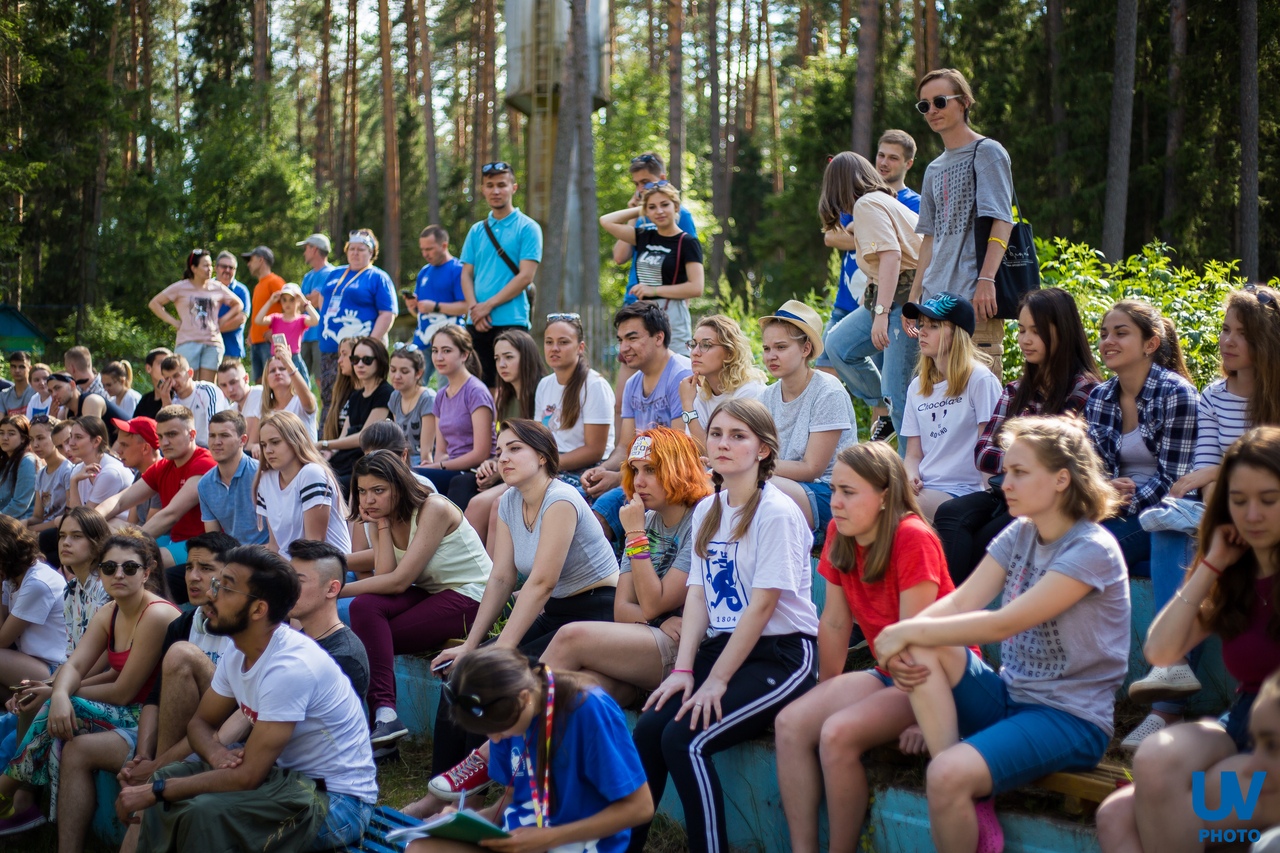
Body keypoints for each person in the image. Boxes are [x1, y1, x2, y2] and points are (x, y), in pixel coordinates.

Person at [871, 416, 1130, 853]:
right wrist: (908, 637)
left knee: (945, 774)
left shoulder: (1092, 549)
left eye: (1019, 472)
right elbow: (958, 602)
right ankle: (972, 789)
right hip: (1011, 695)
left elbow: (1004, 622)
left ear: (1061, 479)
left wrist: (903, 631)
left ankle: (961, 781)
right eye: (1006, 471)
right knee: (924, 642)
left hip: (1069, 718)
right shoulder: (1023, 531)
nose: (1004, 482)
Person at [628, 398, 820, 853]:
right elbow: (698, 595)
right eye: (716, 434)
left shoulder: (776, 511)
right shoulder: (709, 509)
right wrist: (683, 671)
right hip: (728, 647)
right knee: (650, 730)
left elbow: (760, 609)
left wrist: (714, 682)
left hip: (782, 654)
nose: (724, 443)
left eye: (738, 436)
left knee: (684, 741)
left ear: (764, 450)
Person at [117, 545, 378, 851]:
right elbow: (200, 722)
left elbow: (248, 776)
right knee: (167, 777)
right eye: (218, 584)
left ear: (257, 610)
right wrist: (215, 753)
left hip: (337, 801)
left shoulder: (289, 669)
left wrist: (158, 791)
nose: (212, 596)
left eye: (226, 588)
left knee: (201, 813)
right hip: (281, 779)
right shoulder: (238, 650)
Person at [1095, 426, 1280, 853]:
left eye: (1268, 500)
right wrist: (1212, 564)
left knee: (1196, 797)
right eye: (1238, 501)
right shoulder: (1238, 575)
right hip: (1241, 724)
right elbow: (1161, 651)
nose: (1251, 515)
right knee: (1117, 814)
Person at [419, 419, 617, 802]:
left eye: (515, 449)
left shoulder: (562, 498)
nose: (503, 458)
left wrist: (503, 648)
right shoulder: (509, 500)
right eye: (500, 450)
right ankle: (440, 791)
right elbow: (501, 578)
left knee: (495, 676)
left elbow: (541, 581)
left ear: (542, 457)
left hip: (596, 611)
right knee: (464, 668)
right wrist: (472, 643)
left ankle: (474, 793)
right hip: (556, 610)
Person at [774, 441, 953, 853]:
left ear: (885, 494)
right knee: (791, 723)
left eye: (848, 492)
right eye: (833, 490)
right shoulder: (841, 528)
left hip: (934, 677)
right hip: (889, 671)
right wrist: (824, 688)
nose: (835, 503)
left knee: (837, 734)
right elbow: (836, 622)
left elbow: (917, 639)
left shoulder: (912, 537)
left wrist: (928, 717)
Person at [1125, 284, 1280, 749]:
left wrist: (1225, 483)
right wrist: (1223, 506)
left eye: (1241, 332)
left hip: (1267, 513)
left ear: (1267, 339)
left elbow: (1259, 470)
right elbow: (1204, 473)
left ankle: (1239, 702)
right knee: (1168, 520)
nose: (1227, 341)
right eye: (1225, 330)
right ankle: (1166, 698)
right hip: (1222, 506)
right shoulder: (1212, 395)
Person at [0, 533, 180, 842]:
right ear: (100, 572)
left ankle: (7, 792)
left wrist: (61, 695)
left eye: (129, 568)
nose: (118, 575)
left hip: (153, 719)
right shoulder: (110, 611)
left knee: (49, 702)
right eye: (109, 568)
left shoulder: (157, 614)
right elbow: (74, 666)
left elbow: (124, 691)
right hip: (124, 710)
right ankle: (19, 801)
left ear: (147, 572)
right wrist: (57, 693)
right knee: (40, 699)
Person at [405, 647, 653, 853]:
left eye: (500, 729)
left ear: (524, 698)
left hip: (578, 845)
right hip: (521, 841)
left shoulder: (588, 711)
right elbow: (513, 800)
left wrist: (550, 837)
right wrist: (466, 823)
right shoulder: (505, 719)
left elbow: (640, 808)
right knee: (421, 848)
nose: (495, 738)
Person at [931, 287, 1100, 583]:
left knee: (986, 535)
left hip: (1054, 500)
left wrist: (1018, 458)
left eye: (1036, 331)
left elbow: (1063, 460)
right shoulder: (1015, 390)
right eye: (1021, 330)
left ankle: (947, 617)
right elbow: (983, 452)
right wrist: (1025, 461)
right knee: (950, 513)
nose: (1025, 339)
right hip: (1004, 491)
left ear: (1063, 331)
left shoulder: (1085, 390)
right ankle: (945, 611)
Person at [541, 427, 710, 707]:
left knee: (570, 636)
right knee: (576, 688)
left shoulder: (698, 521)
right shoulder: (648, 519)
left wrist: (635, 536)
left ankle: (494, 748)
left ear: (679, 468)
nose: (639, 482)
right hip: (650, 638)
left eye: (651, 470)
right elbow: (622, 609)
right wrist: (656, 621)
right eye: (635, 470)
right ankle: (520, 748)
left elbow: (654, 603)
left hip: (688, 649)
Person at [344, 451, 490, 745]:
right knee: (364, 607)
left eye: (378, 490)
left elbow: (398, 582)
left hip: (472, 596)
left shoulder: (432, 508)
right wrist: (380, 524)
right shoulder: (379, 516)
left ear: (398, 485)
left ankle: (379, 720)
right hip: (431, 591)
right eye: (362, 491)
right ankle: (385, 715)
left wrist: (331, 591)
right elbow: (384, 574)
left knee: (371, 639)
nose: (368, 499)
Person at [114, 532, 237, 810]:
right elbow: (156, 697)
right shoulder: (182, 625)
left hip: (225, 739)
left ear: (231, 576)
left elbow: (232, 716)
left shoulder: (246, 626)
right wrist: (143, 755)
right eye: (189, 567)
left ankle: (158, 779)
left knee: (182, 654)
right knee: (78, 750)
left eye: (205, 569)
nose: (192, 577)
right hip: (176, 733)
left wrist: (157, 766)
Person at [909, 69, 1015, 381]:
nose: (932, 111)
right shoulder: (932, 169)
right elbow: (929, 237)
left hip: (973, 301)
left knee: (978, 407)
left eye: (940, 101)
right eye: (924, 105)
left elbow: (1003, 220)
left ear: (965, 102)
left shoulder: (988, 152)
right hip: (933, 306)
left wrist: (987, 280)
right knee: (937, 407)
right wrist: (916, 296)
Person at [1085, 299, 1199, 574]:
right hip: (1111, 507)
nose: (1108, 341)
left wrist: (1116, 502)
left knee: (1085, 557)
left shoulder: (1176, 394)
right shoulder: (1100, 397)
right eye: (1103, 335)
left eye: (1120, 333)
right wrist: (1102, 491)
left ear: (1150, 344)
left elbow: (1176, 482)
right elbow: (1091, 469)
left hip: (1167, 511)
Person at [819, 151, 925, 440]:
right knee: (838, 345)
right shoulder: (875, 204)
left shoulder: (868, 205)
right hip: (886, 294)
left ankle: (908, 471)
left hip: (904, 300)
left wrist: (881, 314)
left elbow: (891, 257)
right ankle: (884, 407)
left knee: (898, 390)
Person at [583, 303, 693, 543]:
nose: (623, 348)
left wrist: (621, 478)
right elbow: (624, 447)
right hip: (638, 476)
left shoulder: (681, 376)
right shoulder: (633, 383)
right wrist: (605, 469)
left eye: (632, 338)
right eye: (621, 339)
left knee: (599, 515)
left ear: (658, 337)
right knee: (577, 499)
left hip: (671, 480)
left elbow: (678, 451)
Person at [759, 300, 858, 537]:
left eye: (781, 347)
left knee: (753, 486)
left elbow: (811, 468)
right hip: (782, 485)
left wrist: (752, 467)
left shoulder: (827, 392)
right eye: (766, 348)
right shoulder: (767, 395)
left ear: (805, 350)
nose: (771, 356)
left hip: (830, 493)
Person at [900, 293, 1002, 522]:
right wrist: (909, 475)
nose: (922, 332)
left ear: (958, 334)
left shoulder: (980, 380)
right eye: (922, 325)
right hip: (925, 487)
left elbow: (989, 451)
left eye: (934, 326)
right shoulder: (917, 386)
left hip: (965, 491)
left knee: (894, 514)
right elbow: (913, 455)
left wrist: (993, 509)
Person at [447, 328, 544, 535]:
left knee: (477, 503)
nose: (501, 364)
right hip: (507, 466)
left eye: (509, 357)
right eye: (497, 358)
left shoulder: (541, 395)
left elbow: (535, 448)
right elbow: (504, 447)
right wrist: (491, 463)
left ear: (526, 357)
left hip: (531, 471)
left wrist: (499, 468)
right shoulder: (504, 398)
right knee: (461, 483)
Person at [92, 408, 216, 568]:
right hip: (172, 538)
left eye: (172, 435)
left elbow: (171, 514)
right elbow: (121, 500)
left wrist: (127, 544)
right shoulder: (164, 466)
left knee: (145, 561)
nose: (164, 443)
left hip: (200, 544)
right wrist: (88, 522)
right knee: (107, 528)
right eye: (160, 436)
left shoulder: (204, 462)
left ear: (192, 435)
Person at [459, 162, 542, 388]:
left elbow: (526, 276)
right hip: (477, 322)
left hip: (512, 320)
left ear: (513, 188)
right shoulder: (476, 230)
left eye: (502, 185)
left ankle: (511, 426)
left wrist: (488, 306)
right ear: (483, 190)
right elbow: (466, 274)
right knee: (478, 387)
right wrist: (475, 309)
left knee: (514, 388)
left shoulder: (528, 228)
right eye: (490, 185)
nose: (496, 191)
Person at [599, 183, 705, 354]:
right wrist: (640, 209)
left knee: (676, 371)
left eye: (665, 204)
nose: (659, 211)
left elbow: (696, 287)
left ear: (676, 206)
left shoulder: (687, 242)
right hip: (644, 316)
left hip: (673, 317)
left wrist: (653, 289)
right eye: (652, 207)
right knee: (645, 372)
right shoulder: (644, 235)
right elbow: (606, 221)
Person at [317, 230, 398, 408]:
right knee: (330, 398)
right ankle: (329, 435)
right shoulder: (335, 274)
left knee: (358, 398)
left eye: (361, 249)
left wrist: (369, 346)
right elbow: (323, 298)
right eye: (351, 248)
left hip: (360, 355)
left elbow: (387, 313)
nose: (355, 253)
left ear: (371, 253)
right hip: (331, 349)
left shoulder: (378, 277)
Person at [255, 410, 352, 554]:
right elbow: (276, 547)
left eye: (275, 442)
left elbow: (314, 545)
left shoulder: (311, 474)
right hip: (290, 567)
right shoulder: (266, 480)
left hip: (327, 568)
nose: (268, 450)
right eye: (263, 445)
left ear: (295, 440)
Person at [415, 325, 496, 495]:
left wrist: (440, 466)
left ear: (464, 354)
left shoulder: (476, 392)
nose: (439, 357)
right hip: (449, 468)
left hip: (476, 471)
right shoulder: (441, 396)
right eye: (435, 351)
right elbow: (441, 451)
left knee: (415, 477)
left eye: (446, 351)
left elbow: (481, 453)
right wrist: (438, 464)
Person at [287, 539, 370, 701]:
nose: (287, 588)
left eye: (298, 581)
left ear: (332, 589)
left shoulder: (343, 657)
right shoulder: (295, 642)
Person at [149, 248, 246, 383]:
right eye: (205, 265)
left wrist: (222, 320)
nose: (209, 269)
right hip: (188, 341)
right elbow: (155, 303)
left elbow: (238, 305)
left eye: (210, 265)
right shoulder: (181, 287)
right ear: (194, 268)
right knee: (187, 384)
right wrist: (174, 322)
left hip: (212, 343)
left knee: (208, 386)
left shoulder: (217, 287)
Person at [0, 516, 68, 706]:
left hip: (53, 669)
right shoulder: (12, 578)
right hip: (28, 659)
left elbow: (2, 641)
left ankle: (25, 708)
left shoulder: (38, 582)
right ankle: (17, 709)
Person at [677, 314, 767, 450]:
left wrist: (687, 406)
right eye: (693, 344)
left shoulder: (749, 391)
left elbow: (717, 453)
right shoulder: (701, 394)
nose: (695, 352)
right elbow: (694, 451)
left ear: (730, 353)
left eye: (706, 345)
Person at [321, 335, 392, 492]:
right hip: (347, 461)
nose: (359, 364)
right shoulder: (355, 396)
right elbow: (343, 437)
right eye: (355, 359)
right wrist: (327, 453)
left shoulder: (385, 393)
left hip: (367, 463)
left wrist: (324, 444)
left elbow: (364, 438)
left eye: (366, 360)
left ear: (379, 361)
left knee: (331, 486)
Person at [198, 409, 269, 547]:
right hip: (231, 557)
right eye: (212, 435)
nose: (216, 442)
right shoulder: (205, 484)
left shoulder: (262, 475)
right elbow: (214, 540)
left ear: (243, 440)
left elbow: (279, 537)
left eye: (224, 435)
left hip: (267, 556)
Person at [409, 225, 468, 385]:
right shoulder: (424, 272)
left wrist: (434, 306)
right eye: (422, 249)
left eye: (429, 249)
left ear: (444, 245)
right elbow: (422, 311)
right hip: (422, 340)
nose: (425, 254)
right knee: (413, 386)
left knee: (447, 388)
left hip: (449, 340)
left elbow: (466, 307)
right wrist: (414, 307)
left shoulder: (457, 269)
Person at [55, 508, 113, 655]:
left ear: (97, 543)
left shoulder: (106, 589)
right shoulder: (71, 590)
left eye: (76, 536)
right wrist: (51, 679)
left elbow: (102, 656)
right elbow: (71, 654)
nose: (65, 543)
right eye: (62, 536)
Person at [250, 341, 319, 444]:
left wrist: (289, 364)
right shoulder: (263, 407)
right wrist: (255, 447)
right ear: (267, 380)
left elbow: (309, 403)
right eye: (272, 371)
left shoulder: (300, 401)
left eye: (282, 369)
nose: (277, 373)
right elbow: (251, 444)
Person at [64, 417, 133, 519]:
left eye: (78, 437)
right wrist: (74, 480)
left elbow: (84, 521)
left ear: (96, 441)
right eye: (71, 436)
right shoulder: (78, 469)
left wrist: (73, 482)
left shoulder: (110, 472)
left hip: (122, 530)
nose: (71, 443)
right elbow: (75, 518)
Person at [157, 353, 231, 448]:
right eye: (168, 379)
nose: (173, 382)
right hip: (188, 449)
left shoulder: (207, 391)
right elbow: (165, 435)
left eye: (176, 376)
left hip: (213, 446)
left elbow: (216, 426)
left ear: (190, 373)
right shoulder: (173, 401)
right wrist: (166, 403)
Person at [253, 281, 320, 384]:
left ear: (298, 300)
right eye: (284, 300)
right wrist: (270, 302)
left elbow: (316, 320)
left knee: (300, 388)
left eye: (291, 300)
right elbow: (258, 320)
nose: (287, 303)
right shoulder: (276, 318)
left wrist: (305, 302)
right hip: (277, 358)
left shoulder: (301, 319)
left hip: (294, 358)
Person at [26, 417, 74, 549]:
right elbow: (37, 516)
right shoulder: (41, 474)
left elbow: (67, 517)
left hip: (59, 532)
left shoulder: (67, 470)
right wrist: (23, 523)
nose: (35, 444)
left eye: (40, 438)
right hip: (42, 530)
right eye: (31, 439)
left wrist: (32, 529)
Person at [242, 245, 286, 383]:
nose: (249, 264)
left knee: (273, 381)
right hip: (256, 342)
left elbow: (290, 308)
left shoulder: (275, 281)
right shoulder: (258, 286)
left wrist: (277, 332)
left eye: (251, 260)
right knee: (260, 383)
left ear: (261, 260)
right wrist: (251, 333)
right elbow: (257, 312)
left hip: (269, 343)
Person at [386, 345, 437, 466]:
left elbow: (427, 452)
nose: (396, 376)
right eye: (393, 370)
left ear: (418, 373)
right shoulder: (395, 396)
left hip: (422, 462)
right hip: (404, 459)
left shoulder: (427, 399)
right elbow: (398, 440)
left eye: (404, 371)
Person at [296, 234, 335, 385]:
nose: (304, 252)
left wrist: (306, 299)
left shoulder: (331, 273)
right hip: (304, 335)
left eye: (306, 248)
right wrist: (309, 299)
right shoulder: (307, 276)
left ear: (314, 249)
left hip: (322, 335)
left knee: (322, 379)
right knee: (298, 379)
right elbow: (299, 303)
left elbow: (317, 301)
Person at [48, 370, 128, 441]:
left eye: (57, 388)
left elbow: (90, 441)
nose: (54, 394)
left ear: (72, 385)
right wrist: (53, 419)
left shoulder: (91, 401)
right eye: (50, 391)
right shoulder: (68, 412)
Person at [213, 251, 251, 363]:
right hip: (207, 350)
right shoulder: (206, 288)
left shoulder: (241, 291)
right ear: (216, 268)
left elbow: (240, 319)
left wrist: (212, 331)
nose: (227, 270)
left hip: (231, 351)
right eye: (224, 266)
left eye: (231, 267)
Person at [321, 336, 358, 447]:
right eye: (339, 355)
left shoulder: (369, 393)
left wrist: (326, 446)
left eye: (344, 354)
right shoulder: (341, 391)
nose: (339, 360)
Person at [0, 414, 37, 519]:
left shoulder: (27, 461)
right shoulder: (4, 460)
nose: (5, 438)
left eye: (11, 434)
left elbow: (20, 504)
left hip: (19, 523)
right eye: (1, 433)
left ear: (23, 439)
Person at [214, 356, 261, 422]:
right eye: (224, 385)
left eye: (233, 382)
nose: (229, 389)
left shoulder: (259, 394)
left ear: (246, 378)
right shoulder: (232, 410)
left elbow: (250, 432)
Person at [131, 348, 173, 422]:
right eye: (162, 363)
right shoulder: (145, 400)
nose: (167, 367)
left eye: (170, 363)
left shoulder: (178, 395)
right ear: (148, 368)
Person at [1, 351, 35, 415]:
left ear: (30, 368)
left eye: (22, 367)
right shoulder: (3, 395)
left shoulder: (37, 392)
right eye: (13, 366)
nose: (17, 370)